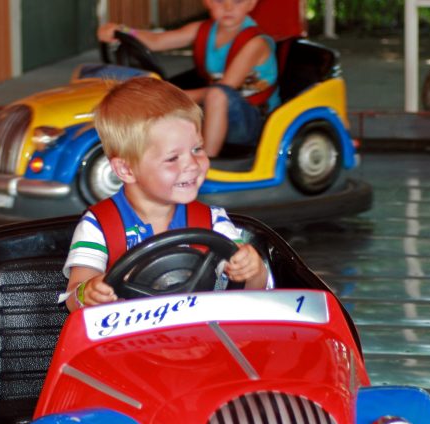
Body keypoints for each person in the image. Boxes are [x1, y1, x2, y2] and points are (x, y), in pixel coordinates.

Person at [62, 77, 270, 312]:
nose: (192, 164)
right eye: (173, 158)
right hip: (128, 342)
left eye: (197, 149)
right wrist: (89, 292)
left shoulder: (213, 222)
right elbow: (73, 300)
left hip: (204, 337)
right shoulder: (99, 226)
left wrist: (253, 270)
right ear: (126, 169)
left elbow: (253, 294)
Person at [97, 0, 280, 158]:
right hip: (217, 110)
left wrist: (169, 96)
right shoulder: (203, 30)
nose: (228, 7)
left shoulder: (255, 43)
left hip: (255, 122)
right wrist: (121, 31)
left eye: (237, 1)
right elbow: (157, 41)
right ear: (207, 2)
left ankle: (207, 161)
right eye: (219, 1)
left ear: (251, 3)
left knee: (214, 95)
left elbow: (225, 90)